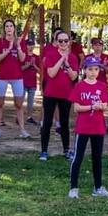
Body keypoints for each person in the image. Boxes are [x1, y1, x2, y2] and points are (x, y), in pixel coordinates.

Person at [68, 56, 108, 199]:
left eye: (96, 69)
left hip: (98, 127)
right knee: (78, 157)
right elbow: (77, 108)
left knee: (97, 157)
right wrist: (91, 106)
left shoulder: (102, 86)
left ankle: (98, 187)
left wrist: (100, 106)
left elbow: (105, 105)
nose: (93, 72)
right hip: (83, 127)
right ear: (85, 70)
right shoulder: (79, 86)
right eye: (90, 69)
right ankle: (73, 188)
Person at [40, 31, 79, 161]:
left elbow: (74, 76)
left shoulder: (73, 57)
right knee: (47, 121)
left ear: (69, 42)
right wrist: (62, 58)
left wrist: (67, 64)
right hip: (50, 93)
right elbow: (51, 73)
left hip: (66, 94)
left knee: (64, 122)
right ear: (56, 42)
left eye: (66, 41)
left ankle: (66, 150)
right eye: (60, 41)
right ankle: (44, 151)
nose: (63, 43)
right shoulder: (51, 54)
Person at [0, 19, 30, 139]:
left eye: (11, 26)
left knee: (19, 104)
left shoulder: (20, 42)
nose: (9, 28)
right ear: (4, 29)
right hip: (2, 76)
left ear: (14, 28)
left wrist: (17, 47)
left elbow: (23, 59)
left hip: (17, 76)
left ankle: (22, 129)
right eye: (7, 26)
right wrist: (7, 50)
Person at [21, 38, 40, 126]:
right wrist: (27, 65)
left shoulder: (36, 57)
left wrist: (34, 65)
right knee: (20, 101)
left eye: (32, 44)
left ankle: (29, 117)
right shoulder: (23, 56)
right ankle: (19, 117)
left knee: (30, 102)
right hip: (23, 81)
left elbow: (40, 71)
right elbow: (19, 69)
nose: (30, 46)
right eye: (29, 44)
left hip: (32, 82)